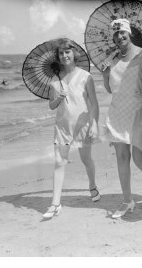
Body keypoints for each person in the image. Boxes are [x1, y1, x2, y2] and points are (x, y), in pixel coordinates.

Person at [101, 18, 142, 219]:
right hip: (117, 112)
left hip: (138, 111)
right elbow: (110, 89)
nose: (119, 36)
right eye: (115, 34)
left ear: (129, 32)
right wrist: (105, 74)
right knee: (122, 157)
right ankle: (127, 201)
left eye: (122, 32)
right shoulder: (113, 59)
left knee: (138, 156)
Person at [42, 38, 100, 219]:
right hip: (62, 127)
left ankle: (92, 185)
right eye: (61, 53)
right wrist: (58, 97)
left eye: (67, 52)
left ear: (74, 54)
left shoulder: (85, 76)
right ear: (58, 57)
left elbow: (94, 104)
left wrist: (94, 123)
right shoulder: (54, 79)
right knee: (59, 162)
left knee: (86, 158)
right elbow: (51, 106)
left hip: (82, 124)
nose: (64, 55)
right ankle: (55, 203)